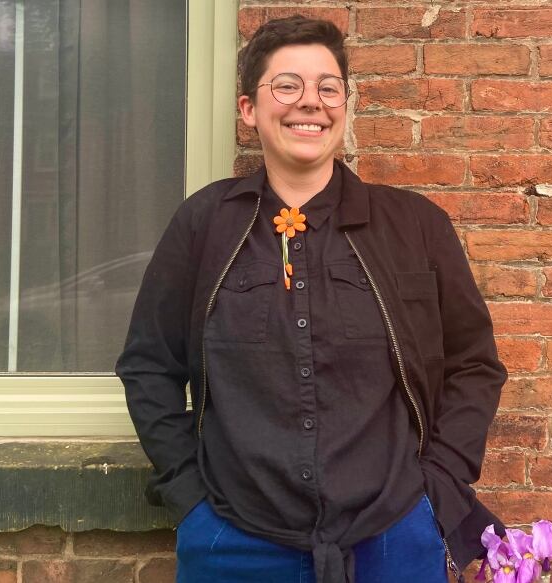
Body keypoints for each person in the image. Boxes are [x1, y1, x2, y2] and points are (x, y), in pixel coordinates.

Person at [116, 15, 507, 583]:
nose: (311, 103)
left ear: (344, 107)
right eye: (288, 86)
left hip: (394, 538)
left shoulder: (415, 227)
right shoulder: (205, 225)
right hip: (234, 540)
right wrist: (192, 501)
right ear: (248, 109)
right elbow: (149, 365)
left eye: (328, 88)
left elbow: (474, 364)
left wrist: (437, 489)